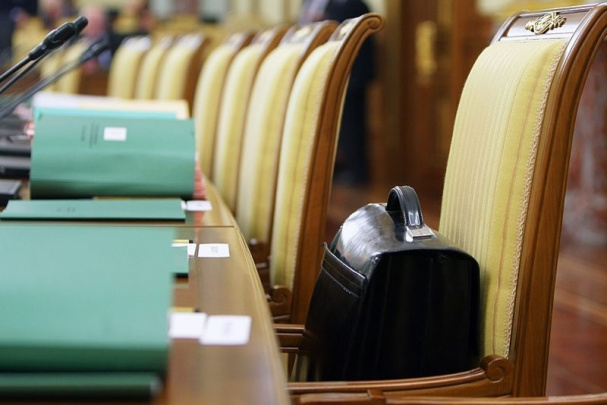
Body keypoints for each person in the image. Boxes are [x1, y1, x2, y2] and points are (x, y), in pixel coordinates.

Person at [300, 0, 376, 186]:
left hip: (352, 75)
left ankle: (358, 172)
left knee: (353, 126)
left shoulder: (354, 4)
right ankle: (342, 168)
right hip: (327, 72)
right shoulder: (310, 3)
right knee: (338, 126)